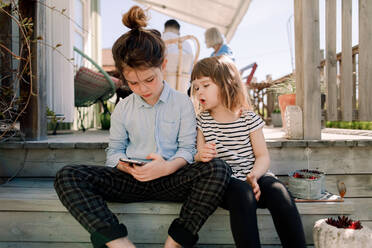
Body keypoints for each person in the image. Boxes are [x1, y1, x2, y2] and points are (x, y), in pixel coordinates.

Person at [54, 6, 232, 248]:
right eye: (133, 83)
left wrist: (166, 168)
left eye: (149, 79)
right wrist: (127, 167)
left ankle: (175, 243)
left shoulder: (182, 102)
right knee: (68, 176)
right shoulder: (123, 108)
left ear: (164, 65)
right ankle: (120, 244)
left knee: (218, 169)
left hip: (173, 178)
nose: (143, 88)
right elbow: (114, 152)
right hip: (132, 180)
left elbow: (188, 150)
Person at [191, 55, 306, 248]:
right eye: (195, 87)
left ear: (226, 84)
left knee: (280, 192)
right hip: (227, 184)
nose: (199, 92)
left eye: (205, 85)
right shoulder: (202, 121)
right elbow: (196, 155)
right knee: (242, 194)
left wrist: (254, 175)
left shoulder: (248, 118)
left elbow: (262, 156)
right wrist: (200, 155)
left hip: (255, 175)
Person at [162, 19, 194, 94]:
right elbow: (191, 71)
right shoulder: (188, 44)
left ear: (164, 30)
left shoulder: (159, 40)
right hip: (182, 90)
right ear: (179, 32)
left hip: (161, 89)